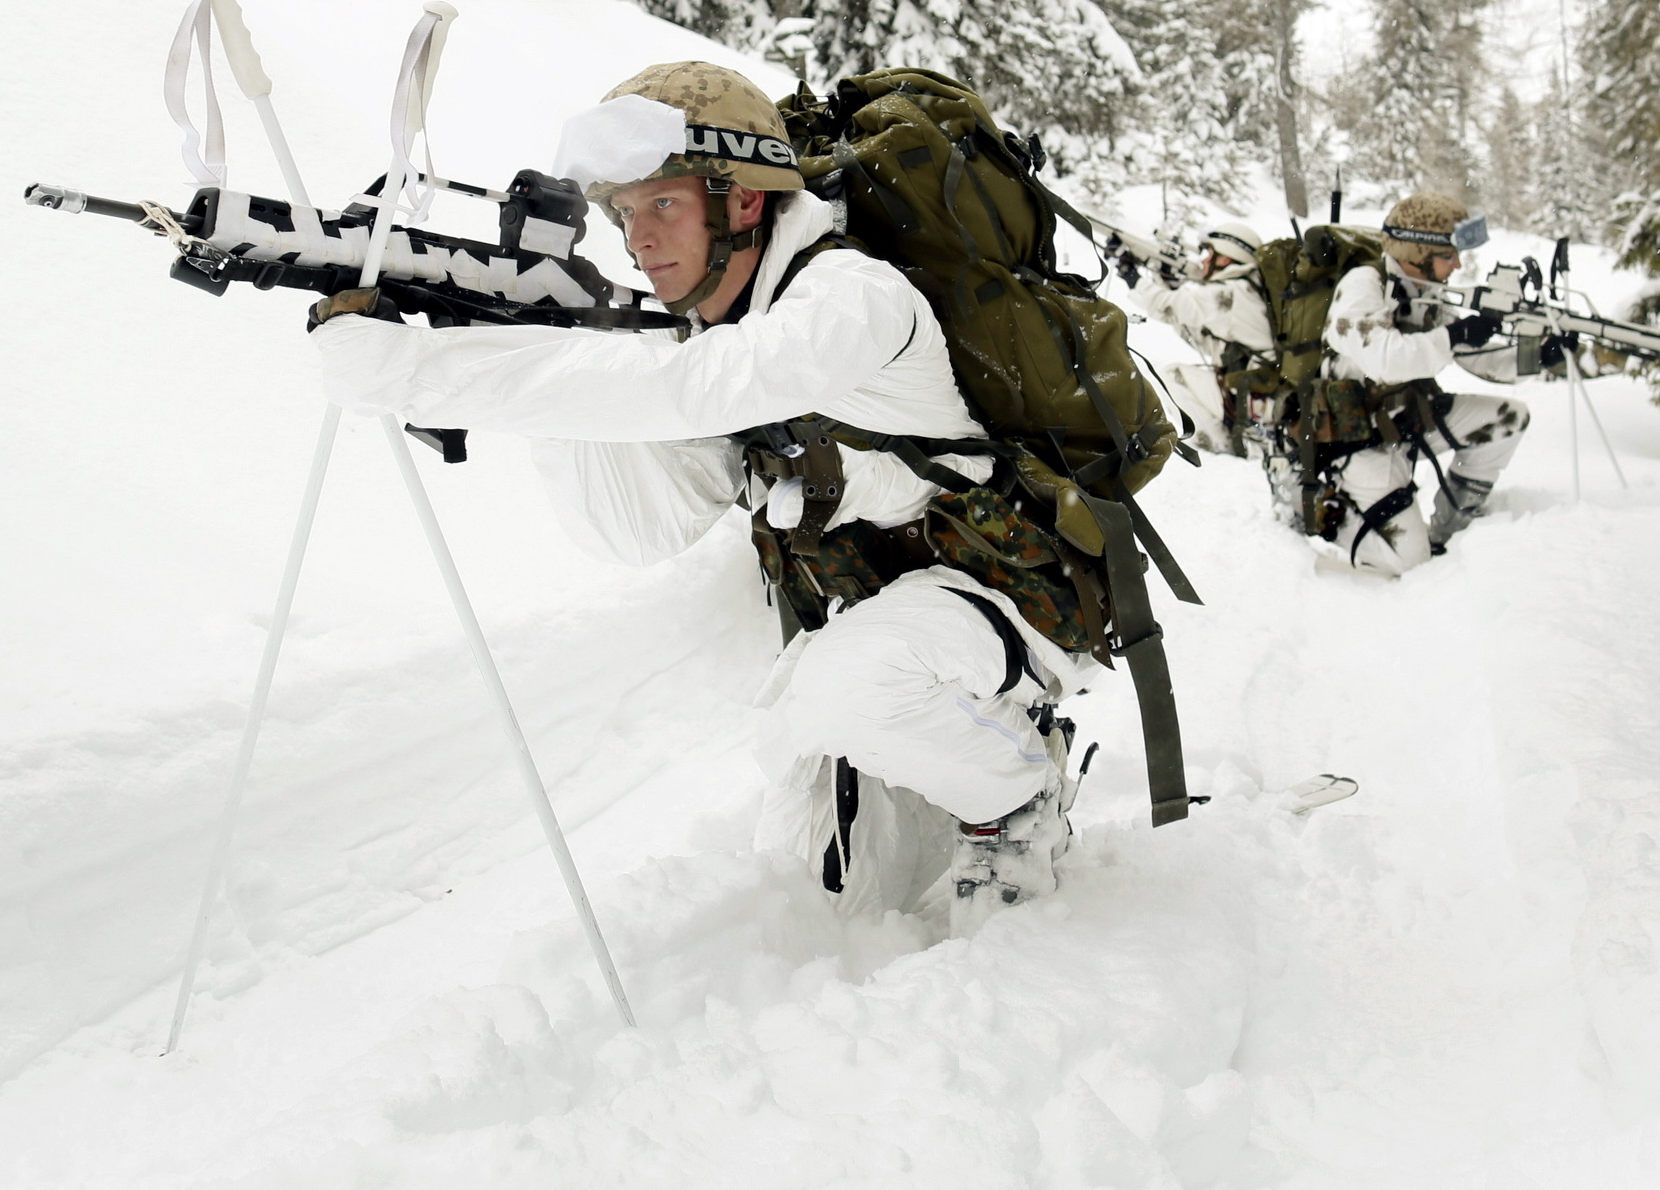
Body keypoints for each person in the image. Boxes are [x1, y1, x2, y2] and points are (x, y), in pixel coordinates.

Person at [309, 61, 1087, 929]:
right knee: (819, 890)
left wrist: (426, 375)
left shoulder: (851, 298)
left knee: (847, 693)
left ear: (744, 201)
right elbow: (637, 530)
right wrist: (529, 359)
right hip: (869, 618)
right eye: (623, 213)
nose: (637, 238)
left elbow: (694, 389)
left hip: (1002, 598)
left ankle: (1018, 796)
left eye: (662, 204)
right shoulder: (716, 333)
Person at [1316, 191, 1530, 575]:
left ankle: (1453, 532)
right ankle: (1322, 511)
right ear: (1416, 251)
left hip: (1406, 421)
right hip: (1360, 441)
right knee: (1409, 560)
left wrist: (1539, 356)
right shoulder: (1363, 285)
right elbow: (1385, 359)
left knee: (1507, 418)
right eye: (1447, 255)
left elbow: (1476, 357)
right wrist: (1455, 335)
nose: (1457, 264)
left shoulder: (1424, 292)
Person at [1130, 221, 1276, 458]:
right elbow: (1199, 336)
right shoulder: (1246, 289)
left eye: (1210, 253)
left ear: (1226, 258)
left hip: (1260, 400)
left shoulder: (1231, 292)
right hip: (1262, 393)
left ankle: (1220, 450)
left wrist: (1132, 278)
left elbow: (1169, 307)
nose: (1204, 261)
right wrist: (1165, 283)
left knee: (1172, 375)